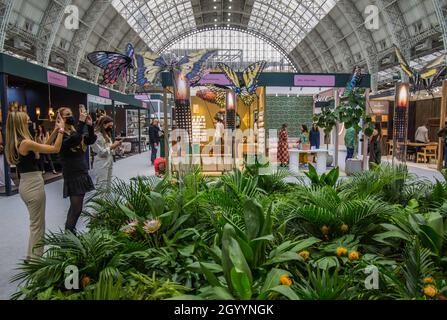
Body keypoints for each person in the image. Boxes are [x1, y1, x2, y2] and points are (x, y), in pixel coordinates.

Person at [5, 111, 65, 259]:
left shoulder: (19, 142)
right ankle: (35, 261)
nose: (30, 121)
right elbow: (55, 149)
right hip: (33, 185)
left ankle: (31, 257)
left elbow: (43, 146)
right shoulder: (25, 142)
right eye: (28, 120)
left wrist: (55, 132)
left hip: (27, 184)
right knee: (38, 227)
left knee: (35, 225)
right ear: (21, 123)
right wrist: (62, 130)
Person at [56, 105, 97, 234]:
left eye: (70, 114)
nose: (70, 117)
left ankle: (69, 234)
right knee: (76, 209)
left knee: (75, 208)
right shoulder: (60, 135)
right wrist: (80, 122)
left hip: (81, 171)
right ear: (60, 119)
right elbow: (74, 141)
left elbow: (89, 140)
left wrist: (90, 126)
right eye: (66, 115)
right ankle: (69, 235)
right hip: (72, 173)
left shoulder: (74, 132)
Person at [92, 116, 122, 190]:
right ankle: (100, 201)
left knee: (108, 185)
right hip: (101, 163)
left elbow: (109, 149)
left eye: (112, 126)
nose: (111, 127)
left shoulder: (106, 134)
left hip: (109, 161)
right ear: (103, 124)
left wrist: (115, 146)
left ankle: (106, 201)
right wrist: (112, 146)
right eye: (110, 125)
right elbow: (101, 152)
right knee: (101, 186)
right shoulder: (96, 135)